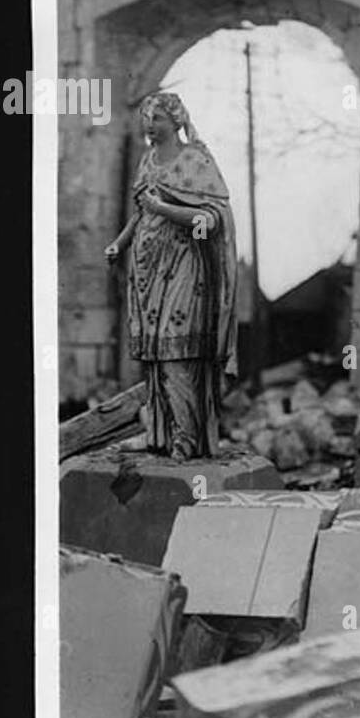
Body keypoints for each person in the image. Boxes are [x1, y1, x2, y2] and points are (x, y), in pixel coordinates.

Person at [104, 92, 238, 460]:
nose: (150, 124)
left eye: (158, 117)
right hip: (146, 270)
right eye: (147, 117)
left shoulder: (196, 159)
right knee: (155, 357)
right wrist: (120, 243)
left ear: (176, 121)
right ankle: (162, 434)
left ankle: (188, 439)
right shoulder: (147, 161)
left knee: (177, 350)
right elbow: (140, 213)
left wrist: (165, 207)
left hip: (184, 268)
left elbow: (210, 220)